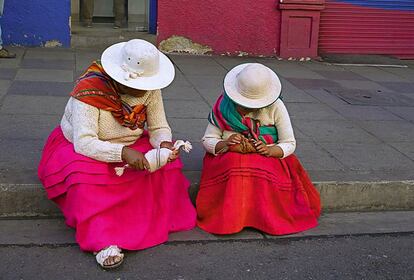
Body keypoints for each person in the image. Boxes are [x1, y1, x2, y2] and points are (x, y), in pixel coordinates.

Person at [38, 39, 196, 269]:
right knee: (87, 181)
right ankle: (103, 240)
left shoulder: (150, 89)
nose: (145, 90)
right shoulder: (89, 91)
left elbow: (159, 126)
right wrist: (122, 153)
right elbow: (84, 142)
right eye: (139, 85)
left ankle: (141, 225)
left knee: (168, 167)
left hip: (130, 143)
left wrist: (163, 145)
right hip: (87, 145)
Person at [197, 63, 321, 236]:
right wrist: (226, 144)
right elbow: (208, 139)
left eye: (251, 106)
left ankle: (262, 217)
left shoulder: (277, 107)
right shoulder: (223, 106)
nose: (246, 109)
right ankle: (234, 218)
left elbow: (289, 143)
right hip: (229, 154)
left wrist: (269, 151)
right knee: (235, 168)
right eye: (242, 104)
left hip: (269, 153)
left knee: (262, 168)